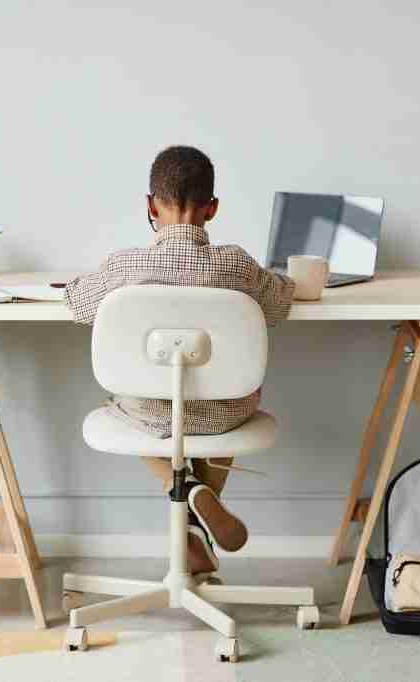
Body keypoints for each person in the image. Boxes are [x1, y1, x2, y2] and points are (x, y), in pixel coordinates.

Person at [64, 145, 296, 573]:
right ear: (212, 209)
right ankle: (194, 523)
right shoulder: (237, 266)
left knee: (124, 406)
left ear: (151, 205)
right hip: (225, 416)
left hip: (149, 415)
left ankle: (187, 489)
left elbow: (77, 304)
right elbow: (282, 302)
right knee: (229, 401)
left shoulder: (126, 267)